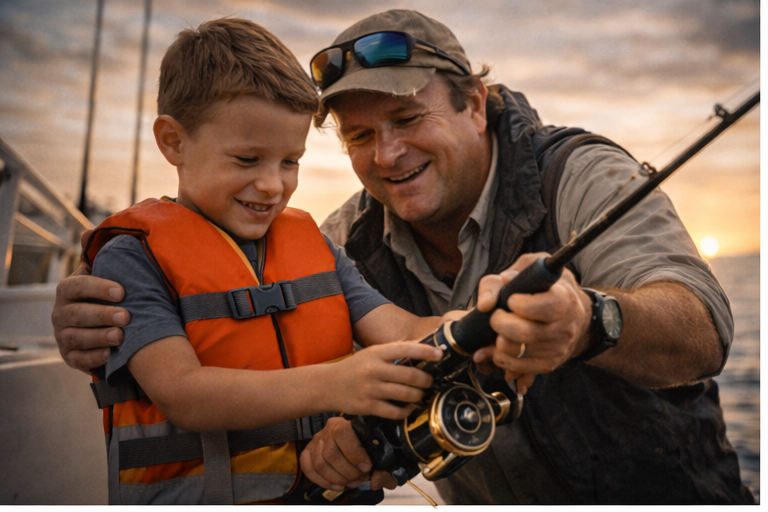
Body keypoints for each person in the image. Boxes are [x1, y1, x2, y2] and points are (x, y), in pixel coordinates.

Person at [51, 10, 753, 505]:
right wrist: (94, 316)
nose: (386, 155)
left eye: (409, 119)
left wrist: (582, 321)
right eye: (359, 136)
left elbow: (704, 328)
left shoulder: (580, 174)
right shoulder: (340, 235)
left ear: (474, 103)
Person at [74, 17, 456, 505]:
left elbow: (404, 330)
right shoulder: (131, 257)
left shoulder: (315, 246)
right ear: (173, 141)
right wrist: (339, 384)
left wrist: (484, 324)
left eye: (290, 161)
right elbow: (184, 395)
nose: (274, 185)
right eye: (247, 159)